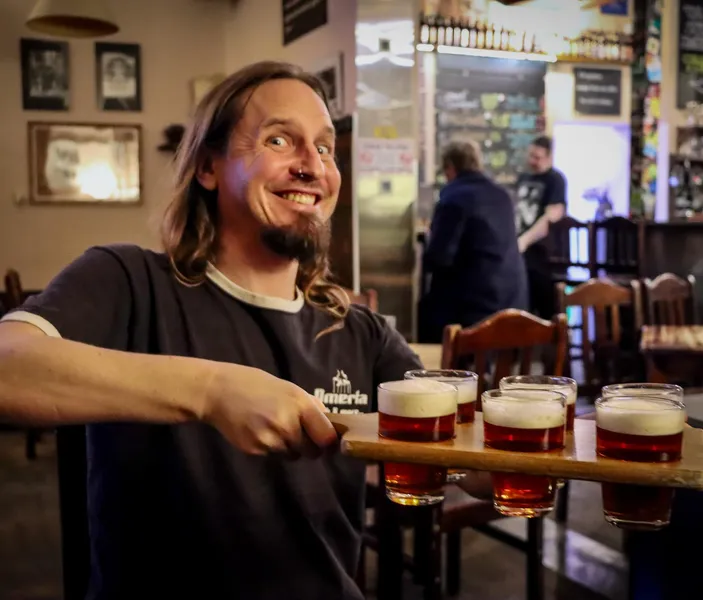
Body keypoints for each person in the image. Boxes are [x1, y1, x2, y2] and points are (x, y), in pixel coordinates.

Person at [0, 61, 423, 600]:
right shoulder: (129, 282)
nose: (312, 166)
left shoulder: (360, 331)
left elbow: (456, 450)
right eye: (279, 139)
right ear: (208, 167)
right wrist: (211, 391)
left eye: (324, 148)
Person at [420, 140, 528, 343]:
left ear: (450, 168)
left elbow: (439, 258)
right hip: (514, 303)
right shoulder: (503, 195)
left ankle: (437, 368)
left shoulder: (453, 198)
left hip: (475, 311)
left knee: (428, 309)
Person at [514, 135, 567, 320]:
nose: (532, 161)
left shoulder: (555, 180)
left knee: (544, 309)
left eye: (537, 157)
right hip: (521, 253)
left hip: (544, 254)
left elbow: (551, 216)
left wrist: (524, 240)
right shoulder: (523, 178)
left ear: (549, 157)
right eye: (530, 156)